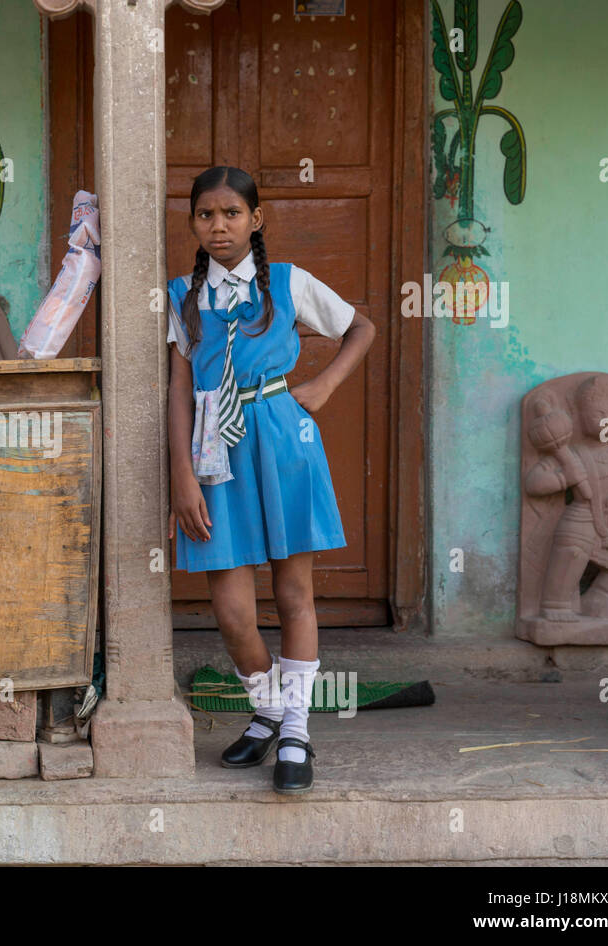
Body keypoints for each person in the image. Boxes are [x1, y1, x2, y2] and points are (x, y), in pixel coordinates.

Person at [166, 166, 376, 793]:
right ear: (195, 224)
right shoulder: (182, 295)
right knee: (231, 611)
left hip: (285, 438)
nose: (219, 225)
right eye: (206, 214)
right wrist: (181, 472)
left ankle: (294, 731)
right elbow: (179, 389)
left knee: (293, 596)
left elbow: (360, 327)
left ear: (255, 220)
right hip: (213, 452)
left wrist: (324, 386)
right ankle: (267, 707)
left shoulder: (287, 283)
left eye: (232, 213)